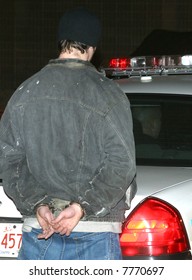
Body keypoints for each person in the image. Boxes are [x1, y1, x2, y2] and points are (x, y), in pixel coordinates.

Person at [0, 7, 136, 260]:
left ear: (61, 42)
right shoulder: (107, 93)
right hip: (94, 234)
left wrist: (38, 205)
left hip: (40, 230)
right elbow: (121, 163)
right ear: (93, 46)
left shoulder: (25, 92)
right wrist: (82, 207)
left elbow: (9, 160)